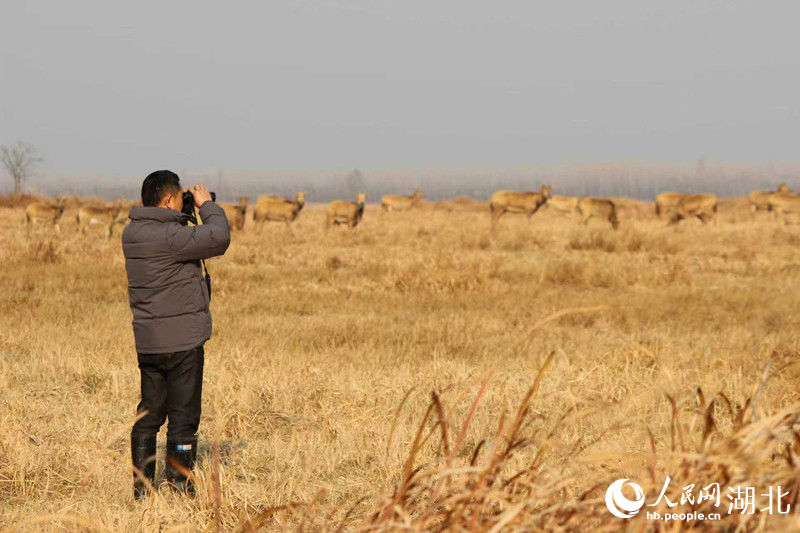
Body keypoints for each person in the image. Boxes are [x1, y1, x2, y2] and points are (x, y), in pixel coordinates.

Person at [122, 170, 230, 499]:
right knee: (183, 417)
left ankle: (142, 490)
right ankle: (180, 487)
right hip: (181, 342)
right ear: (169, 200)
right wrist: (207, 206)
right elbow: (219, 238)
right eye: (180, 196)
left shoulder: (132, 233)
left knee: (149, 415)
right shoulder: (170, 238)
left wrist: (182, 214)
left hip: (149, 342)